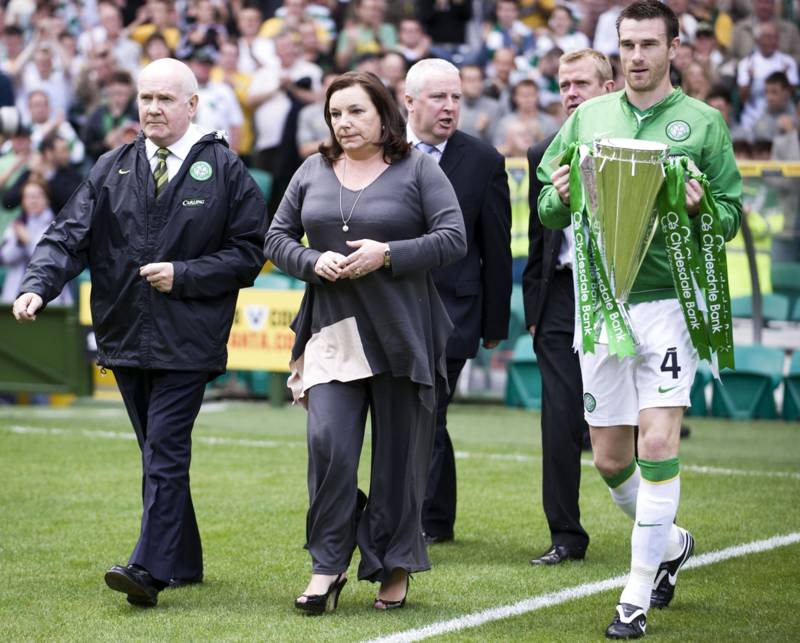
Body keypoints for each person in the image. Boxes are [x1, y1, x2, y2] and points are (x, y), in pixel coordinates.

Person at [11, 58, 267, 608]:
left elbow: (249, 253)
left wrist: (186, 275)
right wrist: (38, 284)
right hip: (125, 336)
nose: (152, 108)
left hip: (188, 340)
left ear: (192, 105)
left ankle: (149, 570)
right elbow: (67, 236)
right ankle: (187, 558)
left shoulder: (225, 169)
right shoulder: (113, 165)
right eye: (146, 98)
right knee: (157, 453)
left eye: (165, 99)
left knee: (165, 452)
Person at [537, 1, 741, 638]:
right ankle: (672, 544)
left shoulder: (703, 124)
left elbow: (731, 216)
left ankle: (634, 596)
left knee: (658, 444)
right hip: (601, 303)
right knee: (607, 458)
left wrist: (705, 205)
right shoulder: (589, 116)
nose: (636, 56)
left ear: (674, 47)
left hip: (669, 304)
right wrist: (560, 196)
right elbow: (546, 202)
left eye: (649, 43)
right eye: (627, 44)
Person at [264, 70, 466, 613]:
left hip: (402, 332)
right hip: (332, 330)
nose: (344, 123)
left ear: (383, 114)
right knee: (328, 445)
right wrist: (311, 259)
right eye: (335, 114)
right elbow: (276, 237)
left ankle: (393, 563)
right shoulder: (312, 169)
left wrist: (390, 253)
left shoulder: (418, 169)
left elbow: (452, 238)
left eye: (355, 111)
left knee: (399, 461)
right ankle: (327, 566)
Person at [404, 58, 512, 545]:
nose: (449, 108)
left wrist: (495, 322)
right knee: (412, 414)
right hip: (392, 307)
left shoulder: (484, 159)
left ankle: (425, 519)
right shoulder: (384, 152)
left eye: (456, 98)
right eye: (438, 98)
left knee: (431, 411)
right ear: (409, 102)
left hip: (454, 312)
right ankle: (432, 516)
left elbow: (497, 246)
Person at [524, 48, 615, 567]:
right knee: (558, 418)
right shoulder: (544, 150)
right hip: (559, 297)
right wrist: (534, 307)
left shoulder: (636, 148)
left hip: (621, 294)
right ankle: (565, 535)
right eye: (563, 84)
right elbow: (539, 242)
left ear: (607, 88)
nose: (570, 93)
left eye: (581, 83)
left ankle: (654, 526)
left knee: (627, 423)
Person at [1, 178, 72, 305]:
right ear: (22, 201)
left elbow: (50, 259)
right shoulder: (16, 225)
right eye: (28, 196)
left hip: (48, 299)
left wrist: (28, 241)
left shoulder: (56, 226)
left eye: (38, 196)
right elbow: (5, 258)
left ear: (47, 199)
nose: (33, 200)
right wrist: (19, 242)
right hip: (13, 295)